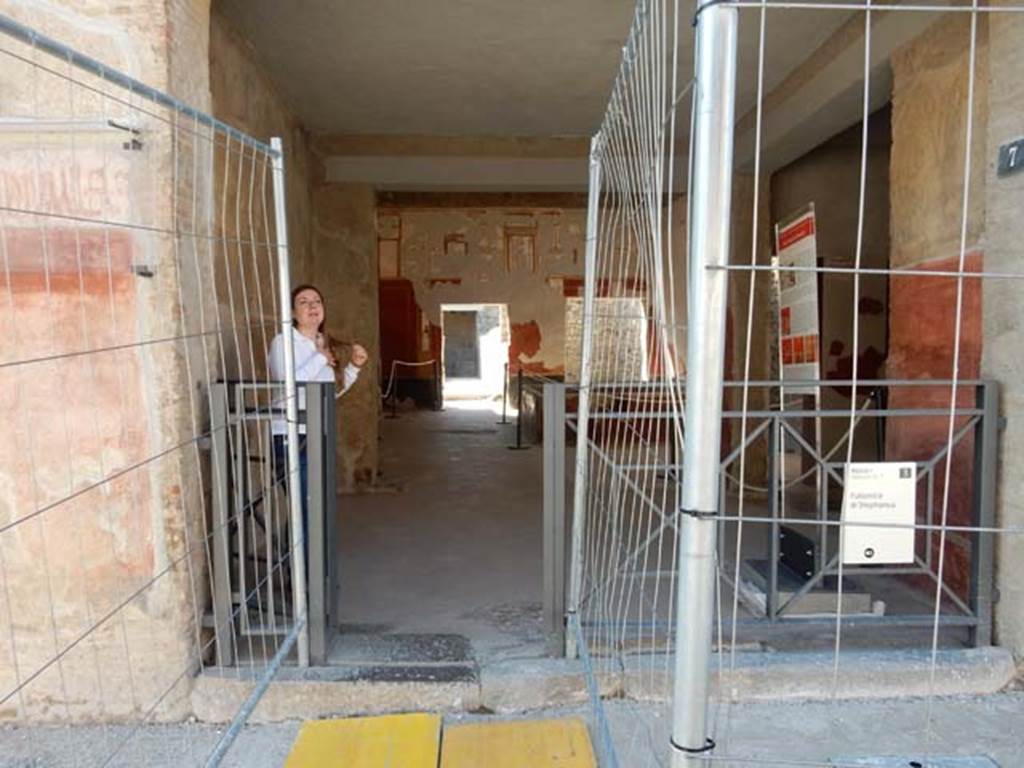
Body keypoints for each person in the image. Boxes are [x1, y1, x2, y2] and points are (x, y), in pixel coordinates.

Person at [267, 284, 368, 573]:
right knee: (306, 506)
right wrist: (321, 358)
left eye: (317, 301)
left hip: (317, 433)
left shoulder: (322, 343)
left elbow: (328, 392)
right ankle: (305, 579)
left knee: (315, 506)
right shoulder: (283, 342)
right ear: (292, 312)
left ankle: (308, 575)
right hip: (290, 435)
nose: (312, 306)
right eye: (303, 301)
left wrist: (354, 368)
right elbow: (289, 383)